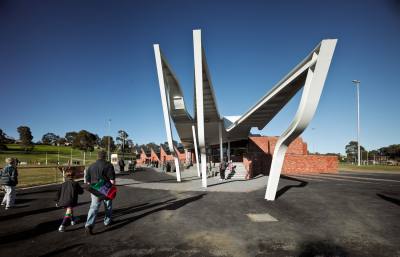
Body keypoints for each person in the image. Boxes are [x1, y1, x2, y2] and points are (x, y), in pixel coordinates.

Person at [85, 150, 116, 235]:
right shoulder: (109, 165)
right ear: (105, 156)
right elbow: (112, 180)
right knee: (108, 206)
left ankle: (89, 225)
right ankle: (107, 221)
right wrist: (113, 189)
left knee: (94, 207)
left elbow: (87, 181)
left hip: (95, 189)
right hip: (106, 189)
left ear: (97, 156)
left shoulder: (91, 166)